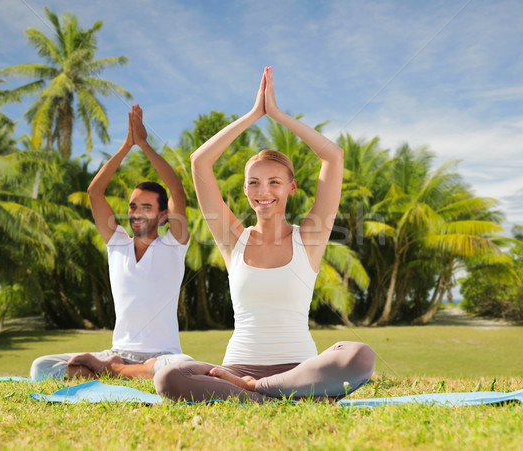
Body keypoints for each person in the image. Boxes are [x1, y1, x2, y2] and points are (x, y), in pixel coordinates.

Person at [154, 67, 375, 402]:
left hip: (299, 371)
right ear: (245, 189)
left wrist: (277, 114)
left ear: (291, 187)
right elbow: (200, 162)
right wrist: (253, 115)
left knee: (360, 354)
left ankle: (260, 393)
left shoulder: (309, 238)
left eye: (274, 182)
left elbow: (333, 156)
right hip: (236, 371)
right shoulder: (233, 240)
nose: (264, 191)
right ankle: (284, 397)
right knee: (169, 376)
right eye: (254, 182)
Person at [30, 104, 193, 381]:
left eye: (145, 207)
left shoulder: (173, 245)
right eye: (132, 206)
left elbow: (176, 189)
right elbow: (95, 192)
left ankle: (111, 371)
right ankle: (120, 369)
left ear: (164, 215)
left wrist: (144, 144)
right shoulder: (117, 244)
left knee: (181, 366)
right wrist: (127, 145)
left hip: (162, 354)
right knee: (40, 367)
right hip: (117, 350)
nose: (136, 213)